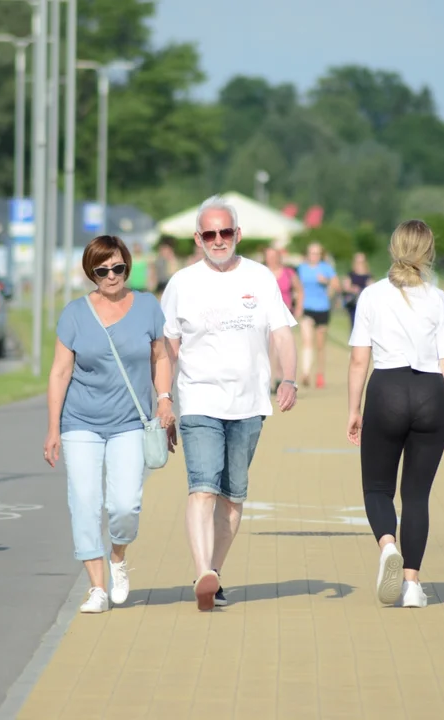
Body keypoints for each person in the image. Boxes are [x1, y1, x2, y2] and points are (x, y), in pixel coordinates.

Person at [161, 194, 299, 611]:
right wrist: (164, 399)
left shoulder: (259, 278)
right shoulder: (182, 283)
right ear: (198, 238)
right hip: (199, 398)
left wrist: (288, 377)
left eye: (225, 232)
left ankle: (213, 573)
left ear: (237, 234)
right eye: (210, 234)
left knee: (232, 498)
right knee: (202, 488)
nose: (218, 240)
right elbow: (166, 348)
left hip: (250, 402)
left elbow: (282, 333)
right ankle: (202, 568)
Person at [44, 235, 175, 614]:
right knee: (84, 502)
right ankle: (97, 588)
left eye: (117, 267)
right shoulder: (74, 313)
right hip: (80, 422)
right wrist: (53, 428)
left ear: (127, 266)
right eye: (102, 270)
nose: (111, 275)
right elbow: (59, 372)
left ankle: (118, 555)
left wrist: (164, 400)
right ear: (91, 273)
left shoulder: (148, 307)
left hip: (130, 423)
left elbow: (160, 357)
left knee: (124, 505)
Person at [346, 220, 444, 608]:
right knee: (416, 495)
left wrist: (354, 408)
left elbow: (359, 359)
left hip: (388, 390)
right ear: (428, 252)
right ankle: (412, 585)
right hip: (432, 394)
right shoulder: (440, 299)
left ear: (392, 249)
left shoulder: (372, 296)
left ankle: (387, 546)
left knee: (377, 489)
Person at [296, 242, 340, 389]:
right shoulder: (301, 268)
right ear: (307, 254)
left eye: (317, 253)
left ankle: (319, 373)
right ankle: (306, 373)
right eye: (311, 253)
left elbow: (337, 286)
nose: (314, 256)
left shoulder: (326, 268)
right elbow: (296, 286)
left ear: (321, 255)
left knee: (320, 345)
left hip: (323, 309)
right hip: (307, 308)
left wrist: (326, 281)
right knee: (307, 341)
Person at [264, 246, 303, 392]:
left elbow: (299, 290)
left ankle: (282, 378)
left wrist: (299, 307)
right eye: (269, 256)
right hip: (265, 315)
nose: (271, 259)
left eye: (273, 255)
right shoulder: (261, 273)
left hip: (283, 315)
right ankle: (270, 379)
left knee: (281, 346)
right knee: (269, 348)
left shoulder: (288, 272)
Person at [342, 252, 373, 328]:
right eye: (357, 262)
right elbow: (345, 287)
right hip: (353, 304)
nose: (359, 264)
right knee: (354, 325)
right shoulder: (350, 274)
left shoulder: (368, 275)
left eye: (361, 262)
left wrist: (360, 290)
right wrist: (353, 289)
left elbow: (371, 288)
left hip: (365, 304)